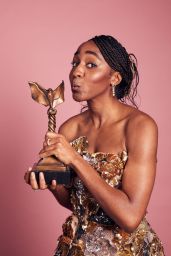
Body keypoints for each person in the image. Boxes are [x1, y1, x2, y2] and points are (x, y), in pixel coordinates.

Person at [25, 35, 165, 255]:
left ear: (115, 78)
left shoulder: (140, 126)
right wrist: (53, 184)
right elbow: (79, 205)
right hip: (79, 247)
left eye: (90, 64)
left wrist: (74, 159)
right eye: (75, 63)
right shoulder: (70, 129)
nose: (76, 72)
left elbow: (130, 217)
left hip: (127, 250)